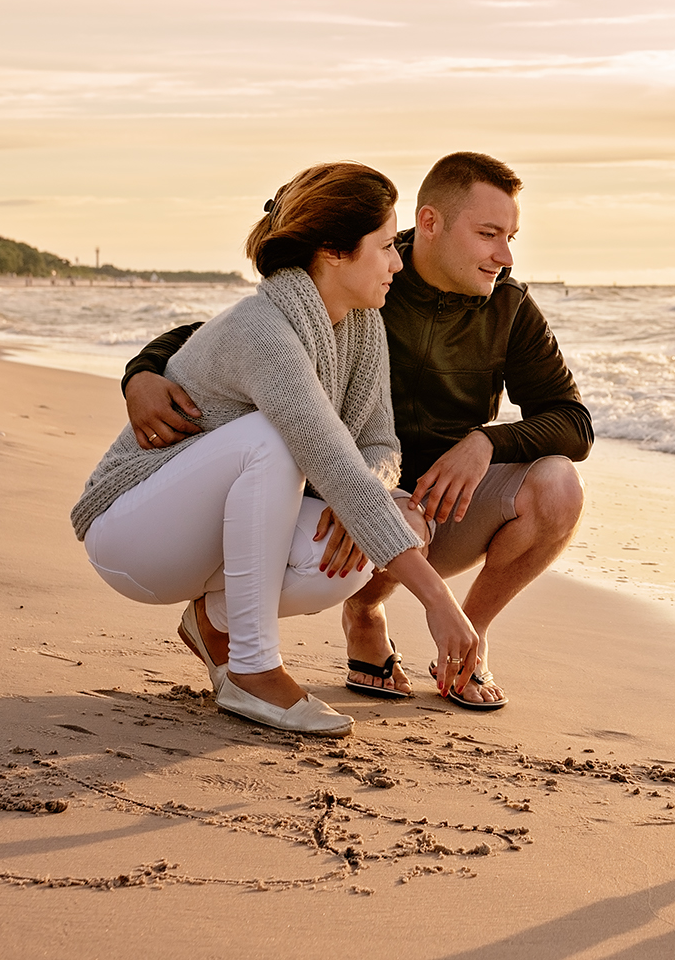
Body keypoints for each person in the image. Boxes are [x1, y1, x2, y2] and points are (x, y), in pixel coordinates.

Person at [120, 151, 589, 710]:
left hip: (435, 504)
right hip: (339, 502)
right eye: (488, 234)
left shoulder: (509, 307)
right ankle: (363, 614)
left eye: (510, 236)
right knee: (366, 504)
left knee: (558, 486)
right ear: (431, 223)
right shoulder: (367, 275)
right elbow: (234, 336)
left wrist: (486, 442)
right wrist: (142, 373)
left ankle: (470, 636)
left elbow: (573, 422)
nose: (504, 256)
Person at [72, 162, 481, 738]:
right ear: (334, 251)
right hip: (132, 535)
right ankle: (254, 669)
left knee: (353, 552)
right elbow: (324, 453)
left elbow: (377, 444)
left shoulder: (360, 324)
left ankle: (215, 622)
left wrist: (363, 491)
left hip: (199, 537)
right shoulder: (263, 330)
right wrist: (438, 601)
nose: (396, 262)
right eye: (387, 246)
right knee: (273, 437)